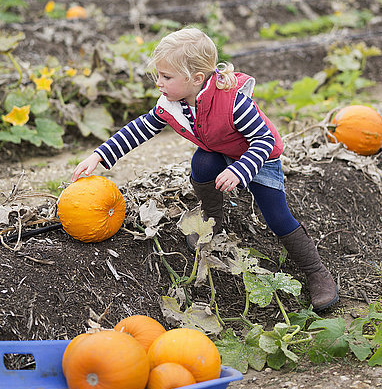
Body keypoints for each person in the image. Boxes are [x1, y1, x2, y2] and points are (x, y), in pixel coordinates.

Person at [71, 27, 338, 313]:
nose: (159, 83)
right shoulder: (174, 102)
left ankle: (316, 272)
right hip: (221, 151)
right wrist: (99, 156)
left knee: (276, 217)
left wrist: (241, 170)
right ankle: (213, 218)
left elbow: (265, 140)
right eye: (158, 75)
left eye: (166, 77)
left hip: (258, 156)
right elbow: (140, 129)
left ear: (196, 78)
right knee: (202, 164)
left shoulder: (234, 102)